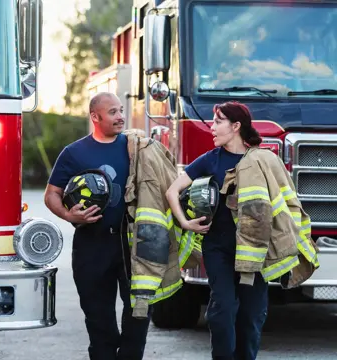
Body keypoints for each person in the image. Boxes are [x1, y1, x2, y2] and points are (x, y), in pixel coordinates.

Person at [44, 92, 151, 360]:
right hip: (92, 246)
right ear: (95, 117)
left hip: (132, 245)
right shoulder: (74, 153)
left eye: (121, 110)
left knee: (139, 311)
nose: (121, 117)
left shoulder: (135, 147)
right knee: (99, 320)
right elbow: (51, 194)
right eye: (113, 112)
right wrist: (70, 216)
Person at [166, 101, 268, 360]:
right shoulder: (209, 160)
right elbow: (172, 191)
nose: (211, 128)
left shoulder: (262, 160)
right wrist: (185, 223)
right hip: (218, 248)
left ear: (235, 126)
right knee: (222, 309)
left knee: (251, 315)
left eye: (218, 122)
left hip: (254, 250)